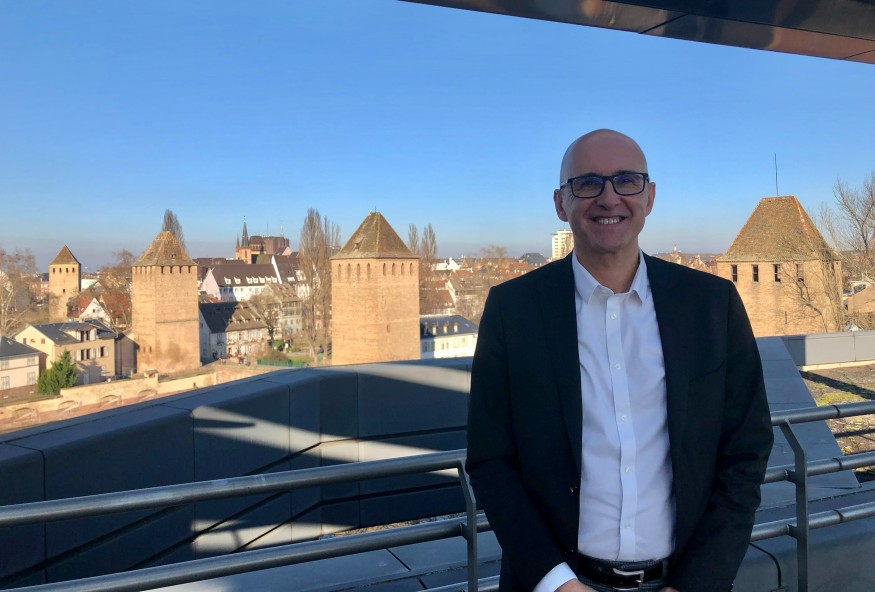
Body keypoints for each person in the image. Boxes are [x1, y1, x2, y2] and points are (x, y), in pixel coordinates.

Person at [466, 129, 774, 592]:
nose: (609, 198)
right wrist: (556, 583)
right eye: (587, 183)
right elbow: (491, 459)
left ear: (649, 197)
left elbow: (746, 450)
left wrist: (698, 583)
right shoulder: (513, 310)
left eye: (627, 180)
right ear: (560, 203)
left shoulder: (712, 304)